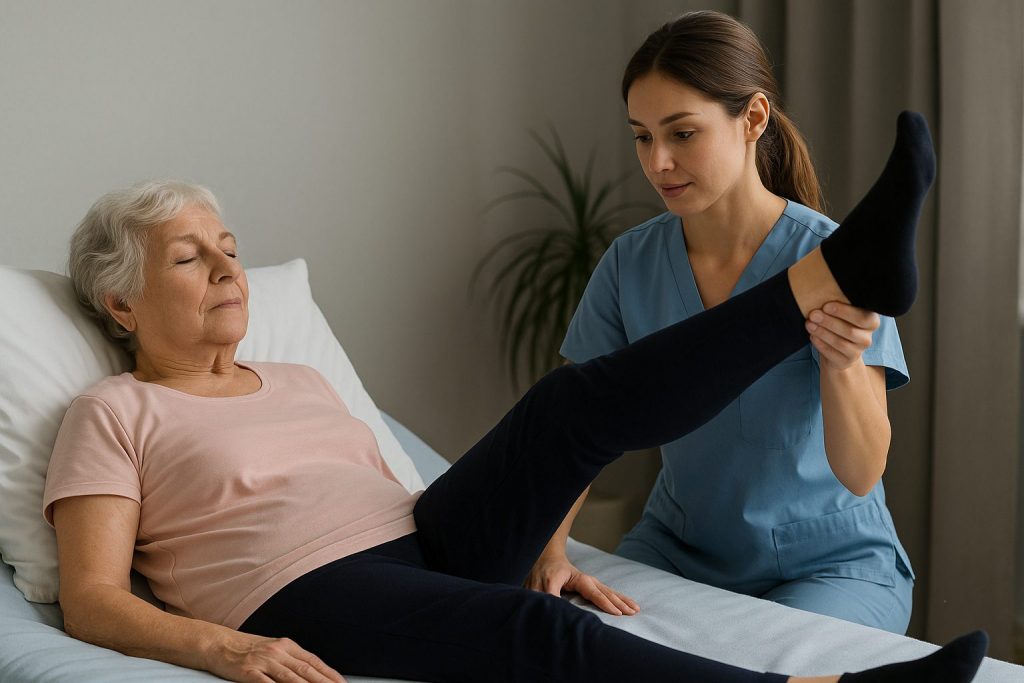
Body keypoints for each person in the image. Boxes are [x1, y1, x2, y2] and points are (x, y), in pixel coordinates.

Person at [45, 114, 987, 683]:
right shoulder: (115, 412)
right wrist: (220, 649)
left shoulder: (300, 378)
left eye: (229, 248)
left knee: (567, 404)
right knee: (533, 628)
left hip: (422, 538)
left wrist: (541, 539)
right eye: (189, 258)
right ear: (121, 302)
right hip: (297, 588)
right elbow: (90, 598)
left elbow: (393, 497)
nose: (227, 269)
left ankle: (829, 273)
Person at [528, 10, 916, 634]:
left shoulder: (834, 263)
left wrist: (843, 362)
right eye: (642, 137)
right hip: (678, 546)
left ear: (754, 118)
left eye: (682, 134)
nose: (658, 162)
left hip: (830, 563)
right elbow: (573, 424)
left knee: (767, 665)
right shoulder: (630, 264)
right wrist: (550, 552)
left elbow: (862, 472)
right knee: (571, 640)